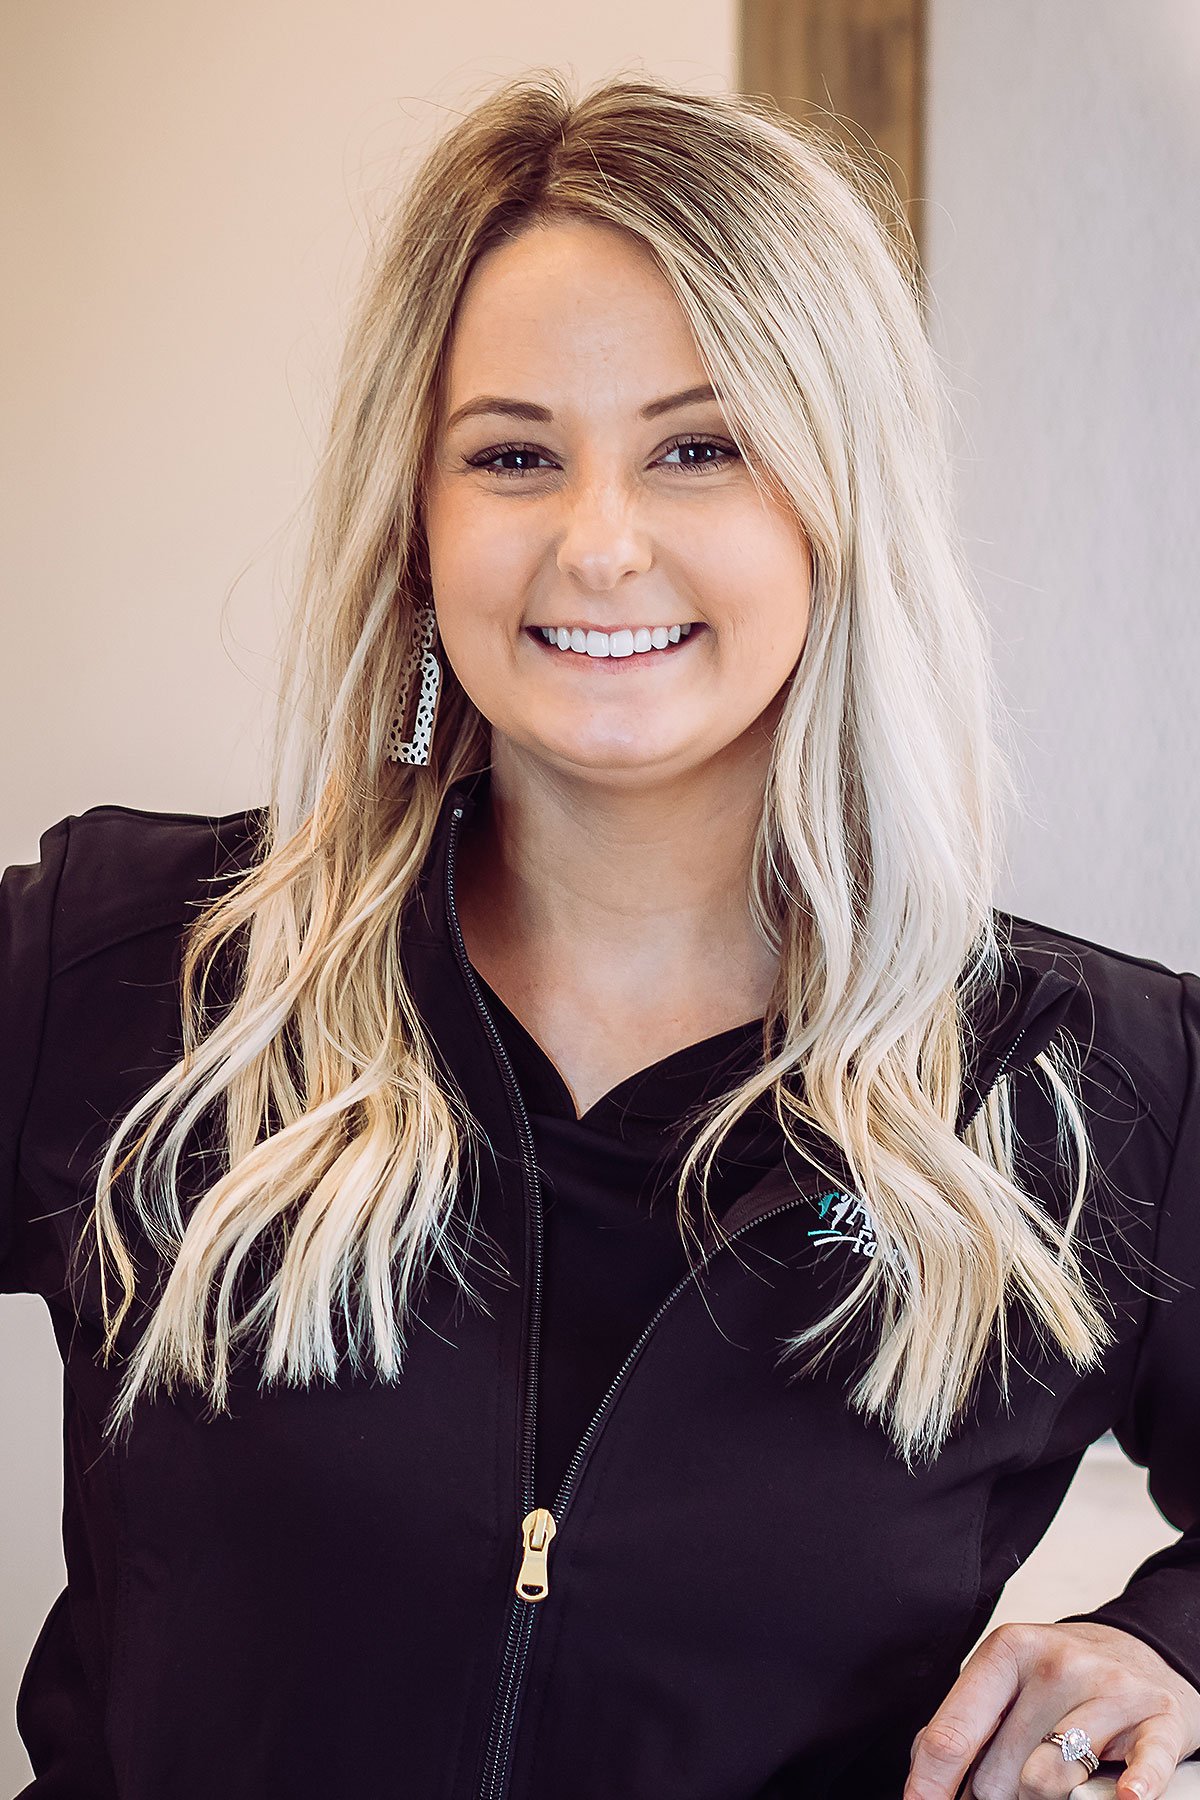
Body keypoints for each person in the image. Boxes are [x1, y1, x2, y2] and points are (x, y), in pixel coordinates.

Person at [1, 67, 1197, 1800]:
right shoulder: (136, 975)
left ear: (836, 507)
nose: (602, 541)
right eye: (513, 456)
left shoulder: (1094, 1090)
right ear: (420, 529)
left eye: (698, 447)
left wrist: (1167, 1646)